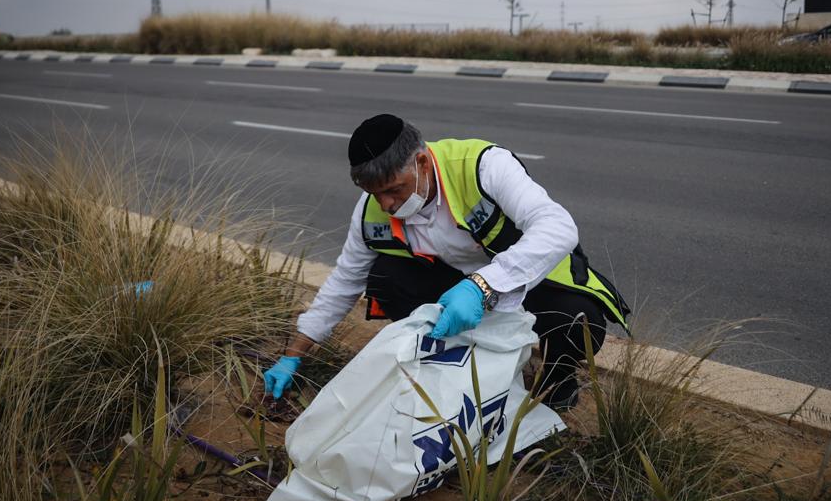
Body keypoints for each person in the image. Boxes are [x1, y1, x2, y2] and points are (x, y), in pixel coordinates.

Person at [263, 114, 630, 411]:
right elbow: (344, 281)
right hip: (451, 290)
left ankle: (555, 383)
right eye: (375, 194)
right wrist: (294, 355)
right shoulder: (371, 210)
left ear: (422, 162)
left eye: (394, 190)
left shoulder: (482, 165)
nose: (386, 204)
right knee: (384, 278)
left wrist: (483, 284)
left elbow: (557, 226)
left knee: (578, 320)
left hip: (522, 282)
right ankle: (448, 364)